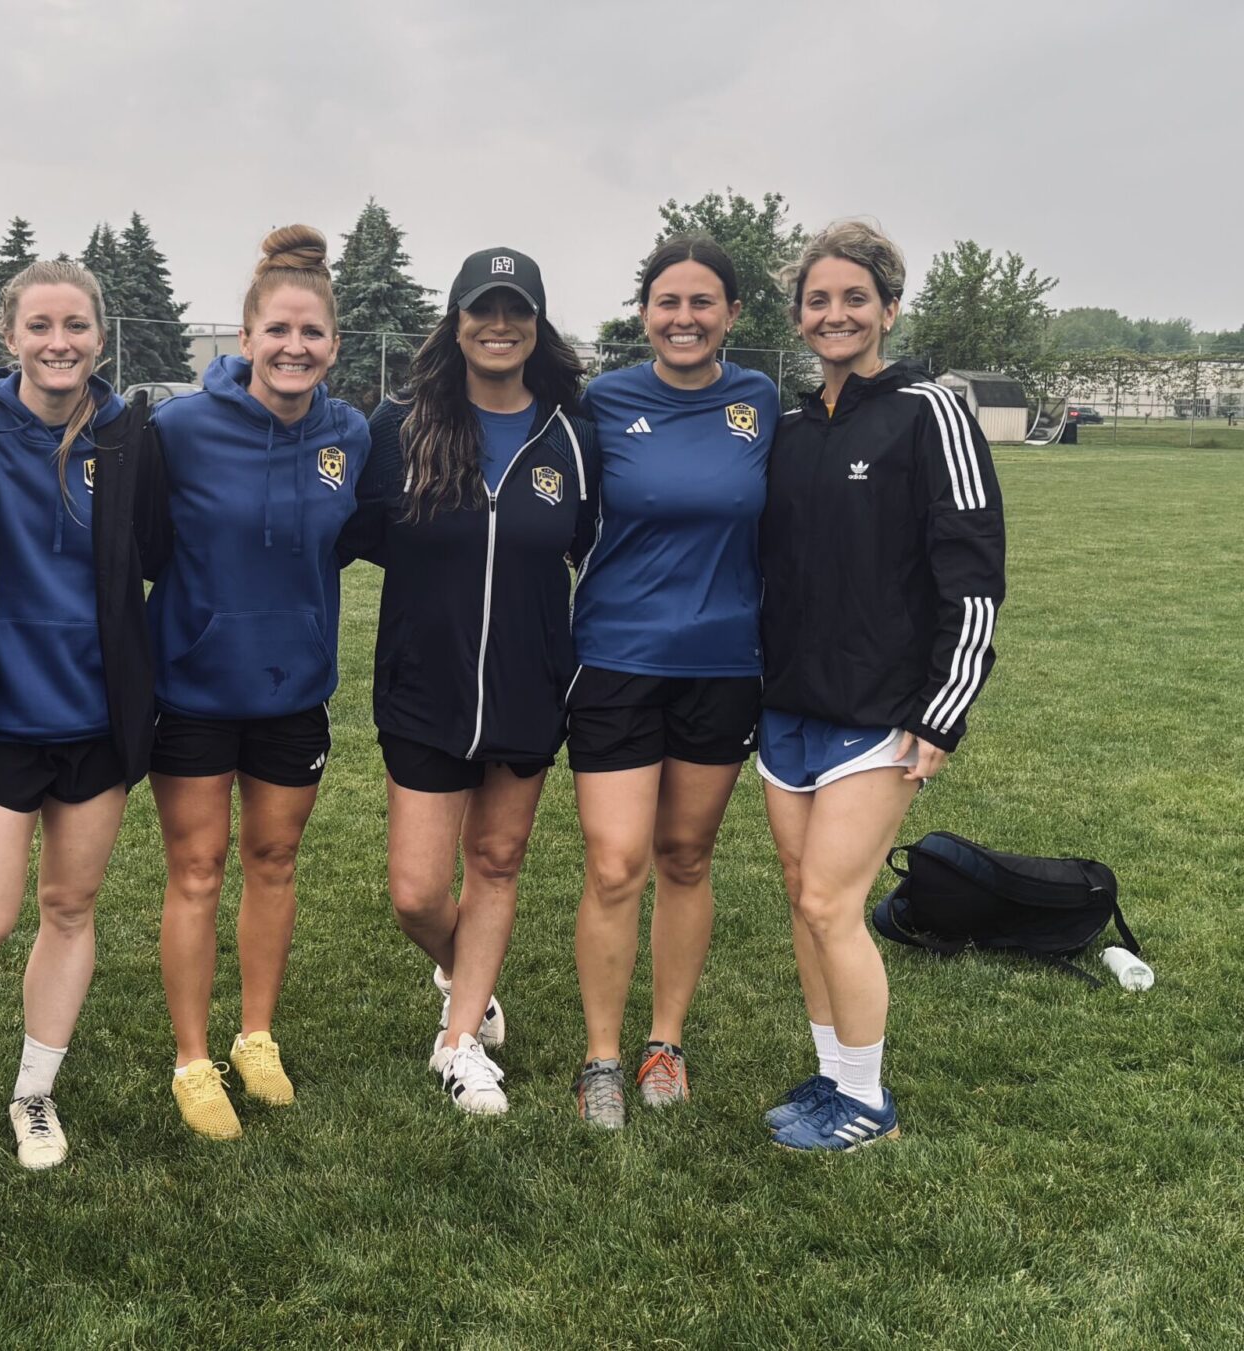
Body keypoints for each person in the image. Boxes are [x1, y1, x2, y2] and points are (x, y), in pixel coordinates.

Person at [0, 259, 169, 1170]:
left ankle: (34, 1094)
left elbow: (158, 552)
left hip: (96, 720)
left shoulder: (129, 438)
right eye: (41, 326)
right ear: (8, 335)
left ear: (101, 337)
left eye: (76, 326)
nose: (59, 343)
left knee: (70, 906)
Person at [758, 219, 1005, 1150]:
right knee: (804, 896)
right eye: (818, 299)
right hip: (787, 709)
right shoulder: (788, 429)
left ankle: (866, 1102)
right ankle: (833, 1077)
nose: (836, 314)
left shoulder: (931, 411)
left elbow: (973, 577)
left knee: (832, 902)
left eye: (855, 298)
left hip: (885, 715)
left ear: (889, 309)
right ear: (799, 315)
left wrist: (943, 711)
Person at [344, 247, 599, 1116]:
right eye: (482, 308)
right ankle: (467, 979)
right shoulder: (400, 427)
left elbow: (593, 550)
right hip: (424, 687)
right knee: (417, 893)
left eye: (515, 309)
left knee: (496, 860)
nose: (499, 324)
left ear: (537, 324)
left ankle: (459, 1044)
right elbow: (350, 533)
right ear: (454, 324)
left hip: (530, 684)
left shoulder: (571, 434)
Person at [143, 226, 370, 1140]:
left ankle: (257, 1037)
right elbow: (142, 544)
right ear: (245, 338)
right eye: (278, 330)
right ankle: (192, 1059)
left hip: (294, 689)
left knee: (273, 862)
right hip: (194, 687)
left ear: (334, 344)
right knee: (197, 870)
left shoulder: (349, 434)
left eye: (311, 332)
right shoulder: (179, 430)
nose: (294, 347)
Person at [564, 237, 780, 1129]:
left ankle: (665, 1045)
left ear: (732, 314)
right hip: (617, 659)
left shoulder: (762, 402)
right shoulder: (605, 401)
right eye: (667, 302)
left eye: (702, 302)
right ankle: (601, 1059)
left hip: (724, 666)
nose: (683, 318)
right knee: (617, 862)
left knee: (686, 856)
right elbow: (566, 517)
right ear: (644, 313)